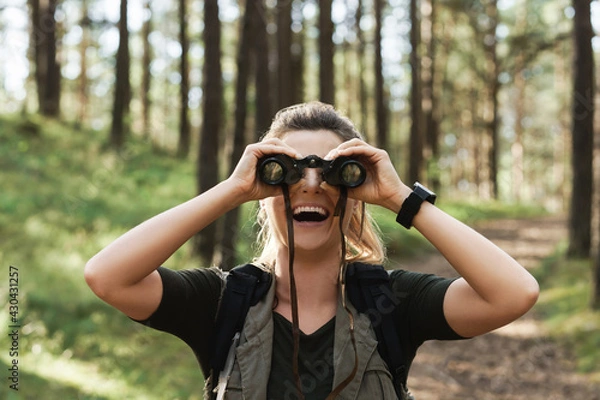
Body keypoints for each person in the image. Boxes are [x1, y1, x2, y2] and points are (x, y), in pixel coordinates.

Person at [84, 101, 539, 400]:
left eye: (335, 171)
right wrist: (231, 190)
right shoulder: (225, 302)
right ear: (265, 188)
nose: (312, 185)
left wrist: (401, 198)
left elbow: (513, 294)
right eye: (288, 171)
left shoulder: (388, 302)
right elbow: (107, 276)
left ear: (354, 190)